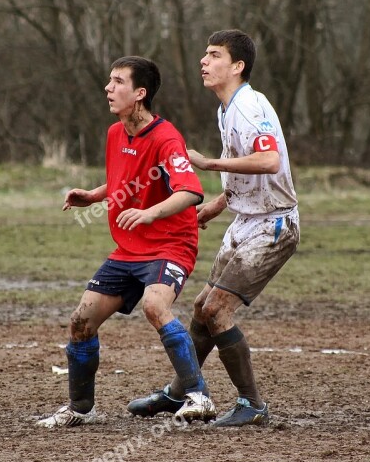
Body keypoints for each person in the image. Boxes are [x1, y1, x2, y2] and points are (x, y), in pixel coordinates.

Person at [128, 30, 300, 427]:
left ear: (237, 66)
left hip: (273, 225)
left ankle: (251, 404)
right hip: (246, 220)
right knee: (203, 308)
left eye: (214, 55)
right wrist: (220, 204)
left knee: (218, 308)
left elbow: (269, 160)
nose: (204, 61)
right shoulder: (226, 109)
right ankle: (179, 392)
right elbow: (248, 167)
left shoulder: (249, 106)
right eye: (204, 54)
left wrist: (206, 164)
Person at [37, 56, 216, 428]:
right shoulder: (115, 133)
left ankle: (199, 397)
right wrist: (94, 195)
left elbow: (191, 192)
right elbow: (124, 180)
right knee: (81, 322)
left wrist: (151, 213)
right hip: (128, 250)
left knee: (154, 305)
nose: (108, 87)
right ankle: (79, 408)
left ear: (140, 93)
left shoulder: (167, 138)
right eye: (109, 80)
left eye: (117, 81)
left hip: (170, 244)